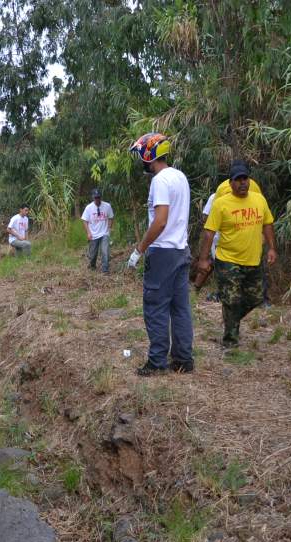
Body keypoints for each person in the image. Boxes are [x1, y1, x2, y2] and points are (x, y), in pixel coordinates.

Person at [128, 132, 194, 376]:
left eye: (141, 155)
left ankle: (157, 362)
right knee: (180, 308)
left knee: (155, 307)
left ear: (149, 154)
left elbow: (160, 221)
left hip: (163, 252)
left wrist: (139, 249)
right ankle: (183, 360)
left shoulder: (160, 181)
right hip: (181, 250)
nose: (141, 162)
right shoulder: (180, 177)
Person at [196, 160, 277, 348]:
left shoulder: (259, 199)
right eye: (238, 180)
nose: (242, 183)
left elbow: (267, 223)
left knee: (256, 298)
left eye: (245, 179)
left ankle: (231, 320)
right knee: (231, 299)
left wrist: (272, 248)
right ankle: (230, 342)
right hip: (228, 260)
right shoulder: (221, 203)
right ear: (230, 183)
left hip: (253, 259)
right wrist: (203, 259)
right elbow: (209, 232)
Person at [81, 188, 114, 273]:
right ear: (93, 197)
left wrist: (109, 229)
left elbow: (111, 217)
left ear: (101, 197)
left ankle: (105, 270)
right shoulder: (89, 208)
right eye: (96, 198)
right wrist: (88, 232)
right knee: (93, 255)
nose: (97, 199)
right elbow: (84, 220)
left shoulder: (107, 206)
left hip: (104, 233)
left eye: (99, 197)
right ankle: (92, 266)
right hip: (93, 234)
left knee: (105, 252)